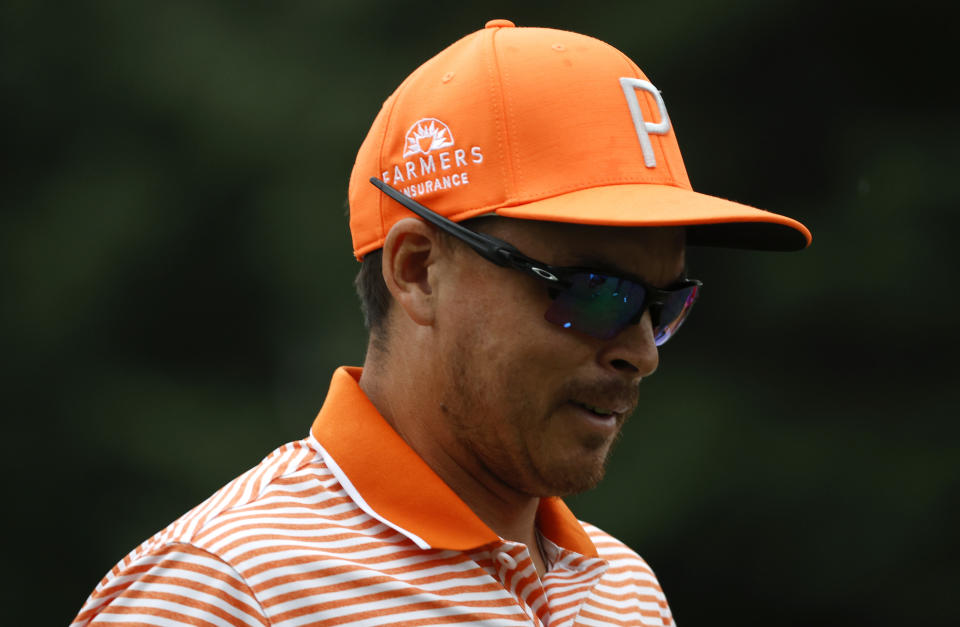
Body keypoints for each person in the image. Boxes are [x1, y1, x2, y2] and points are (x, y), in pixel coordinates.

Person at [73, 19, 810, 627]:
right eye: (594, 290)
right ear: (418, 270)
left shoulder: (625, 592)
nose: (642, 351)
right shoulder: (223, 591)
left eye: (664, 302)